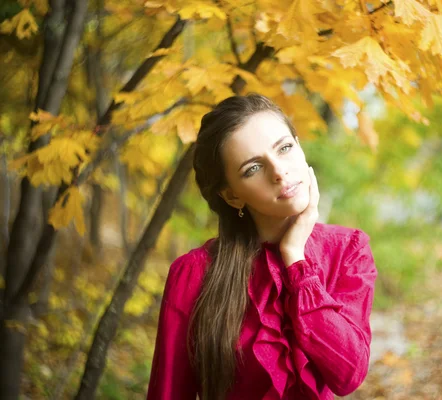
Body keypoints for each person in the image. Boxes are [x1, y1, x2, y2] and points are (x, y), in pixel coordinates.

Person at [147, 94, 378, 400]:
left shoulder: (347, 250)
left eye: (285, 148)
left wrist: (296, 262)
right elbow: (169, 393)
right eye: (253, 168)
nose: (279, 172)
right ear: (232, 196)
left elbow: (348, 374)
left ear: (299, 146)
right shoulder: (193, 274)